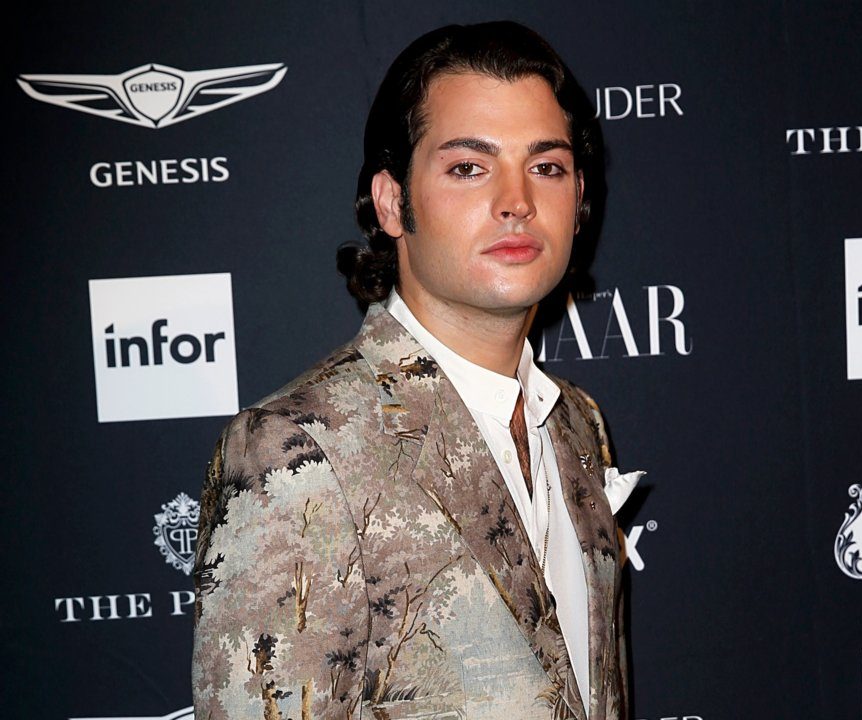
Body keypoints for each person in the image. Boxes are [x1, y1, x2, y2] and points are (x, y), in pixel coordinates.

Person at [192, 20, 641, 720]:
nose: (517, 201)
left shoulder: (577, 425)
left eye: (546, 167)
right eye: (468, 167)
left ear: (578, 199)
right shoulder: (299, 451)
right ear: (392, 202)